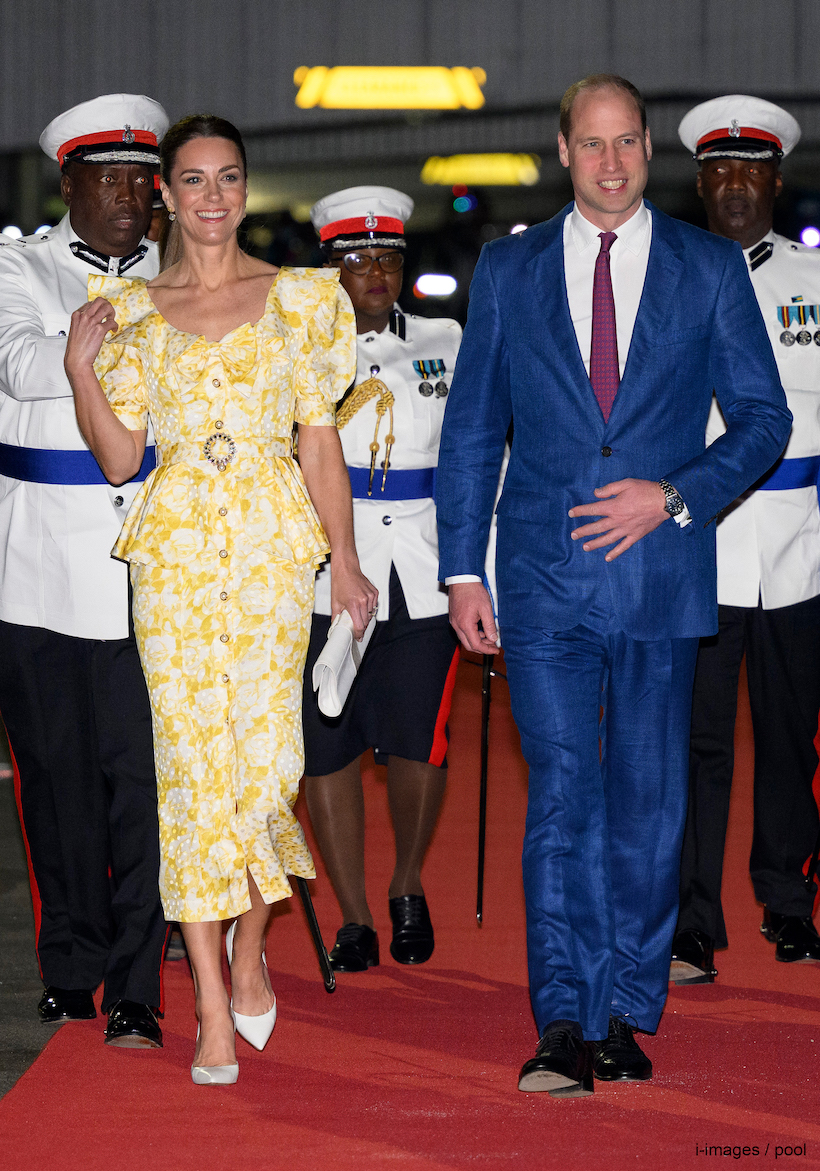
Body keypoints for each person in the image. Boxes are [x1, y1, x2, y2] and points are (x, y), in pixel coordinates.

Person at [435, 73, 791, 1096]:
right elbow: (470, 431)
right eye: (590, 145)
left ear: (647, 148)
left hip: (660, 577)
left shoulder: (706, 269)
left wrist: (674, 495)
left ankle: (628, 1007)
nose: (610, 161)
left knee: (646, 803)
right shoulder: (506, 270)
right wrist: (463, 567)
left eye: (626, 142)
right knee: (561, 800)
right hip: (541, 581)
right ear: (561, 152)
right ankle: (560, 1016)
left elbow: (764, 422)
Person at [63, 114, 375, 1085]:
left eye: (227, 179)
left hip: (274, 551)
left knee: (271, 763)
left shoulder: (304, 302)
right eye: (191, 181)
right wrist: (81, 368)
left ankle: (251, 942)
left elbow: (318, 441)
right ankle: (205, 1000)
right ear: (165, 193)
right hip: (177, 559)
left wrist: (349, 563)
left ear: (246, 188)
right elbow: (121, 455)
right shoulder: (132, 309)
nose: (210, 198)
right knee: (190, 775)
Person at [0, 94, 170, 1047]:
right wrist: (120, 353)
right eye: (107, 180)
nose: (127, 199)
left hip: (151, 566)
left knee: (144, 783)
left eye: (141, 182)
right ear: (67, 182)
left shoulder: (186, 273)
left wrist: (96, 355)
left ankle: (138, 982)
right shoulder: (16, 264)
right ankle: (70, 963)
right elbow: (23, 365)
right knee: (55, 782)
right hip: (37, 572)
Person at [671, 97, 820, 984]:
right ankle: (693, 918)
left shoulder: (814, 284)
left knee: (793, 734)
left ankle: (790, 900)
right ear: (699, 183)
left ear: (775, 180)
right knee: (698, 741)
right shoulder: (673, 280)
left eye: (751, 170)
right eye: (719, 171)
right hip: (700, 547)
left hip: (803, 546)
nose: (735, 185)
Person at [302, 187, 461, 972]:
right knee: (327, 745)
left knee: (418, 742)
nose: (376, 272)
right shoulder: (296, 347)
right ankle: (356, 914)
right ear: (329, 267)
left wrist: (478, 566)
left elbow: (472, 462)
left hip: (425, 573)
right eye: (358, 258)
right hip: (327, 575)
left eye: (389, 257)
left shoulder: (444, 339)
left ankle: (406, 884)